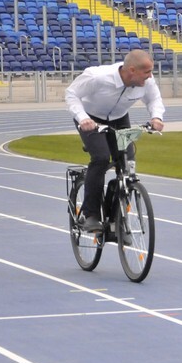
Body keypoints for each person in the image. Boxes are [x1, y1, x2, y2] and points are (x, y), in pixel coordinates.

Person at [65, 49, 165, 232]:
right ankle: (90, 214)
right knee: (102, 158)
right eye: (147, 72)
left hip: (119, 118)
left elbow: (154, 99)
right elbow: (71, 94)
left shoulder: (146, 81)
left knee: (127, 160)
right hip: (91, 118)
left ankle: (117, 218)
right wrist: (82, 118)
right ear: (132, 70)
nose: (150, 76)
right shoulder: (98, 77)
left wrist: (156, 118)